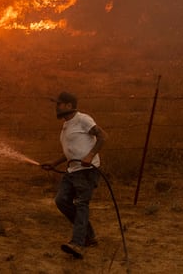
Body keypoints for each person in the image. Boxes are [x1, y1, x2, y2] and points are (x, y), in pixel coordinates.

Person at [41, 91, 107, 260]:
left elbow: (102, 136)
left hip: (86, 171)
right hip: (72, 171)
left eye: (59, 104)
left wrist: (90, 155)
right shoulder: (66, 125)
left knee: (81, 204)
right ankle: (89, 236)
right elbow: (71, 151)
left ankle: (77, 244)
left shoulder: (83, 119)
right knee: (61, 201)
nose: (56, 107)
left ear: (69, 105)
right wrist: (55, 163)